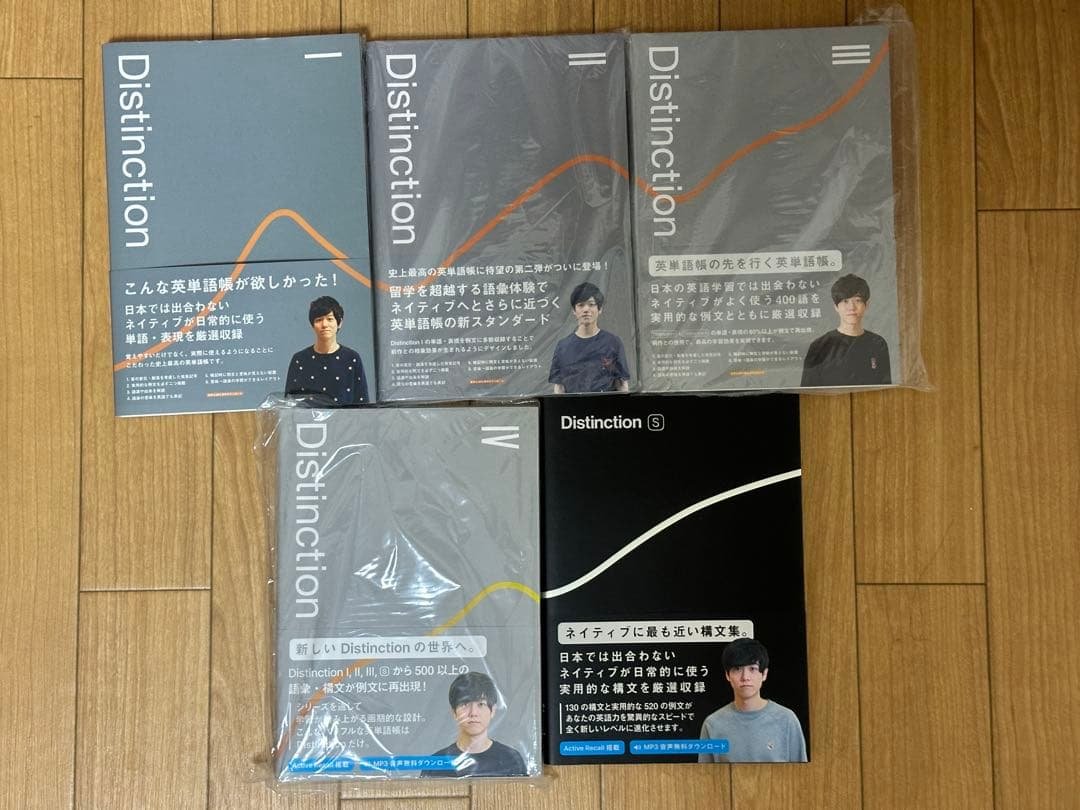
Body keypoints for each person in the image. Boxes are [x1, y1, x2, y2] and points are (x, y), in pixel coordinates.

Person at [698, 637, 807, 763]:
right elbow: (703, 774)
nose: (745, 677)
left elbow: (803, 773)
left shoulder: (786, 720)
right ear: (727, 675)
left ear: (764, 674)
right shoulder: (712, 724)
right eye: (737, 669)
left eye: (752, 669)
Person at [421, 671, 527, 777]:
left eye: (481, 704)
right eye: (465, 704)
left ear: (493, 711)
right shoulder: (435, 763)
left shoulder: (511, 760)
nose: (473, 713)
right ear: (454, 712)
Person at [800, 273, 891, 387]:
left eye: (857, 300)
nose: (851, 307)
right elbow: (807, 391)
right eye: (845, 301)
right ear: (836, 307)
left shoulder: (877, 343)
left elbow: (885, 388)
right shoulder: (819, 346)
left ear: (867, 305)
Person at [548, 282, 631, 394]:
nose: (586, 309)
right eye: (581, 305)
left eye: (591, 304)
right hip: (573, 405)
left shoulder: (613, 343)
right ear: (574, 310)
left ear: (600, 309)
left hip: (607, 404)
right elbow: (559, 387)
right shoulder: (563, 347)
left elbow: (621, 385)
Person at [285, 296, 369, 405]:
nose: (324, 324)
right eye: (319, 320)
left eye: (330, 319)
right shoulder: (299, 360)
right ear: (312, 325)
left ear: (339, 323)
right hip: (307, 417)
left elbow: (362, 403)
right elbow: (289, 404)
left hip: (345, 416)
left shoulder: (352, 358)